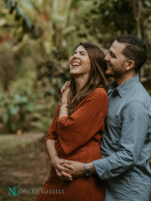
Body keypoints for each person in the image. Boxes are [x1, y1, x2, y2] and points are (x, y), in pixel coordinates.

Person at [60, 35, 151, 201]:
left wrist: (85, 168)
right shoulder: (111, 93)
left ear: (129, 65)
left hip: (126, 192)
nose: (106, 58)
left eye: (112, 55)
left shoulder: (136, 103)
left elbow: (128, 156)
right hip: (104, 185)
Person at [36, 43, 109, 201]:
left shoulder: (98, 95)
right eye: (74, 52)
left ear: (94, 63)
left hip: (81, 171)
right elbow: (50, 135)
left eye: (82, 54)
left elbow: (68, 130)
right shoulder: (69, 94)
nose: (75, 56)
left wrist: (64, 101)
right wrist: (55, 160)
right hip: (59, 169)